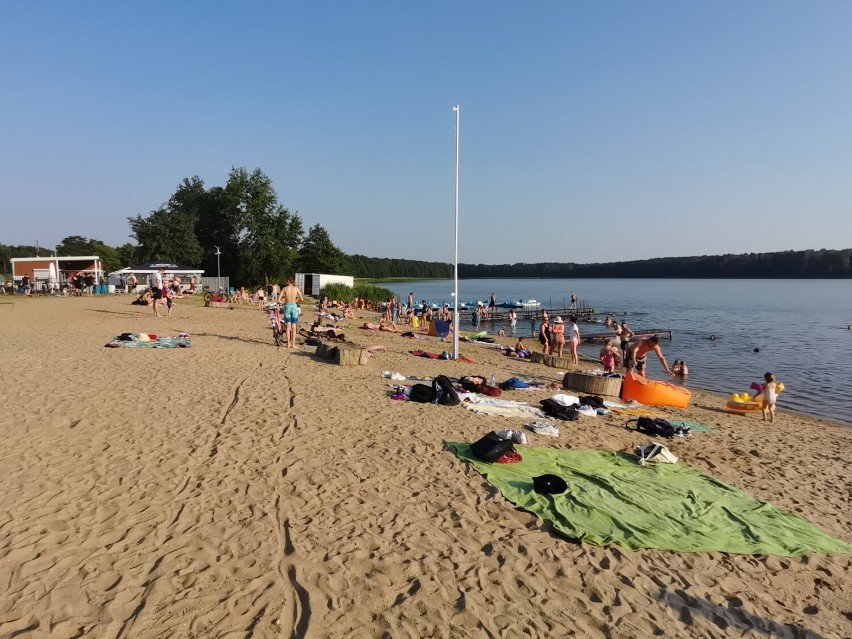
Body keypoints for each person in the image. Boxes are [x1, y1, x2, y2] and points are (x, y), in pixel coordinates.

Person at [277, 277, 304, 348]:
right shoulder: (296, 288)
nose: (285, 282)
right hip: (294, 306)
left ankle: (288, 343)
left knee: (288, 326)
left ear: (288, 281)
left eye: (286, 281)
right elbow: (301, 299)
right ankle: (293, 344)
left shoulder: (284, 288)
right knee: (294, 326)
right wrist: (296, 302)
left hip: (287, 306)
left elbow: (278, 299)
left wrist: (283, 303)